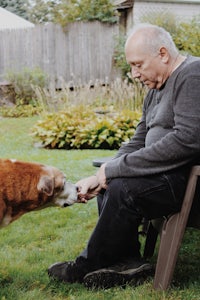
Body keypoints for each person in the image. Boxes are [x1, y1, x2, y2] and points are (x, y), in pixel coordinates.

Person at [48, 23, 200, 289]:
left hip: (188, 183)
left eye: (138, 65)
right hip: (164, 179)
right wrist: (105, 170)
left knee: (121, 185)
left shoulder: (193, 75)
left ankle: (88, 263)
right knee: (111, 181)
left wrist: (116, 171)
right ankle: (127, 262)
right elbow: (139, 138)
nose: (134, 74)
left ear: (162, 54)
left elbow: (188, 140)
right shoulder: (155, 89)